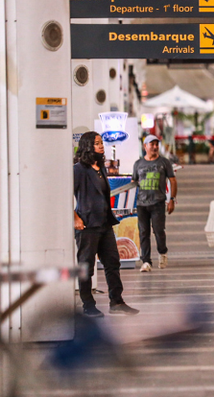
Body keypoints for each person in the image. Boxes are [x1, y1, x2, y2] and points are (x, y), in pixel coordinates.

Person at [73, 132, 139, 318]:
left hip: (104, 223)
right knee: (86, 266)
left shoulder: (100, 168)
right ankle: (88, 305)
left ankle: (116, 302)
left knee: (112, 263)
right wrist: (75, 218)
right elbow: (65, 194)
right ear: (87, 146)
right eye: (97, 143)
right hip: (87, 225)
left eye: (101, 143)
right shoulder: (78, 169)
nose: (101, 146)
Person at [132, 135, 177, 273]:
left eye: (157, 144)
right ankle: (146, 261)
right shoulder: (138, 164)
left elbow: (172, 180)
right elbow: (133, 183)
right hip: (141, 203)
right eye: (152, 144)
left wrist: (172, 199)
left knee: (158, 231)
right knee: (143, 233)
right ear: (145, 146)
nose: (155, 147)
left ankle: (162, 252)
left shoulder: (164, 162)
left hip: (158, 202)